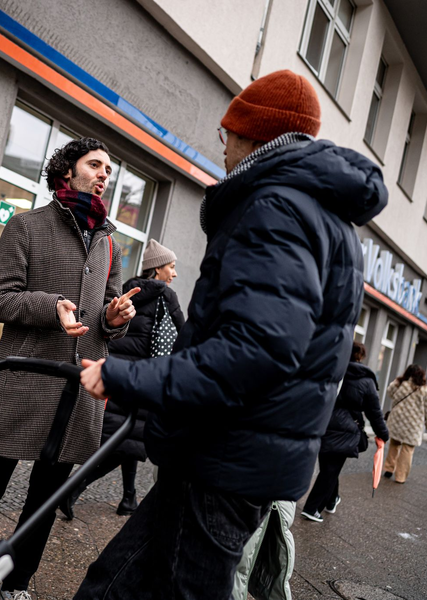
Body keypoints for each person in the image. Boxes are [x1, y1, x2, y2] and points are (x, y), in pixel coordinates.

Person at [75, 69, 388, 600]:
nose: (222, 146)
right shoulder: (324, 216)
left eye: (227, 133)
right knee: (112, 585)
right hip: (229, 456)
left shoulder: (276, 207)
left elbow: (255, 351)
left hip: (222, 460)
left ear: (252, 135)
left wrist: (126, 376)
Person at [0, 137, 139, 600]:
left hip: (77, 393)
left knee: (45, 501)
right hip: (24, 382)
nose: (104, 175)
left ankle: (18, 582)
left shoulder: (109, 242)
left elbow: (108, 314)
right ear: (66, 170)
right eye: (95, 165)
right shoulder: (26, 226)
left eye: (108, 170)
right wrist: (51, 305)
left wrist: (114, 318)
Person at [59, 239, 183, 520]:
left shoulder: (129, 291)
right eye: (171, 267)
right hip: (141, 379)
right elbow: (183, 336)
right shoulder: (166, 297)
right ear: (157, 269)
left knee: (127, 439)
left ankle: (128, 498)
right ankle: (72, 488)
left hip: (116, 374)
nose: (174, 273)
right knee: (124, 442)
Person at [301, 341, 388, 521]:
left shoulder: (333, 371)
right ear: (361, 356)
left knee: (329, 467)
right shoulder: (366, 380)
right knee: (330, 470)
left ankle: (332, 499)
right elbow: (374, 411)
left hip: (323, 423)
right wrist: (383, 433)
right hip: (346, 429)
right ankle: (312, 508)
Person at [383, 364, 427, 483]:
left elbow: (390, 392)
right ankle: (400, 477)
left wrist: (398, 380)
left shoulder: (400, 384)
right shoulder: (424, 390)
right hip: (413, 425)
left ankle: (389, 469)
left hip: (397, 421)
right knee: (407, 450)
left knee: (394, 444)